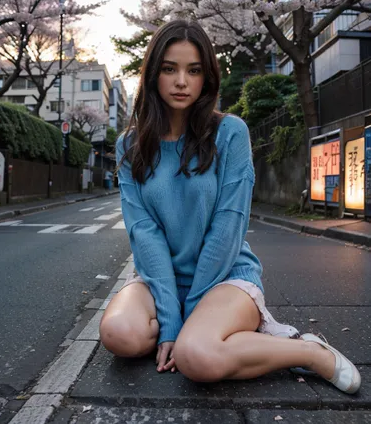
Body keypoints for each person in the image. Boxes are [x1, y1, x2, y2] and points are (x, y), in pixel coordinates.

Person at [99, 20, 361, 394]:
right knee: (118, 334)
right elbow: (144, 233)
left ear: (207, 78)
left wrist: (186, 324)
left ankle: (309, 351)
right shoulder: (131, 146)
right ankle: (199, 335)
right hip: (158, 278)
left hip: (225, 276)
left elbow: (227, 228)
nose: (181, 82)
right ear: (153, 73)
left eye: (194, 70)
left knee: (196, 357)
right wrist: (171, 322)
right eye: (169, 69)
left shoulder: (230, 133)